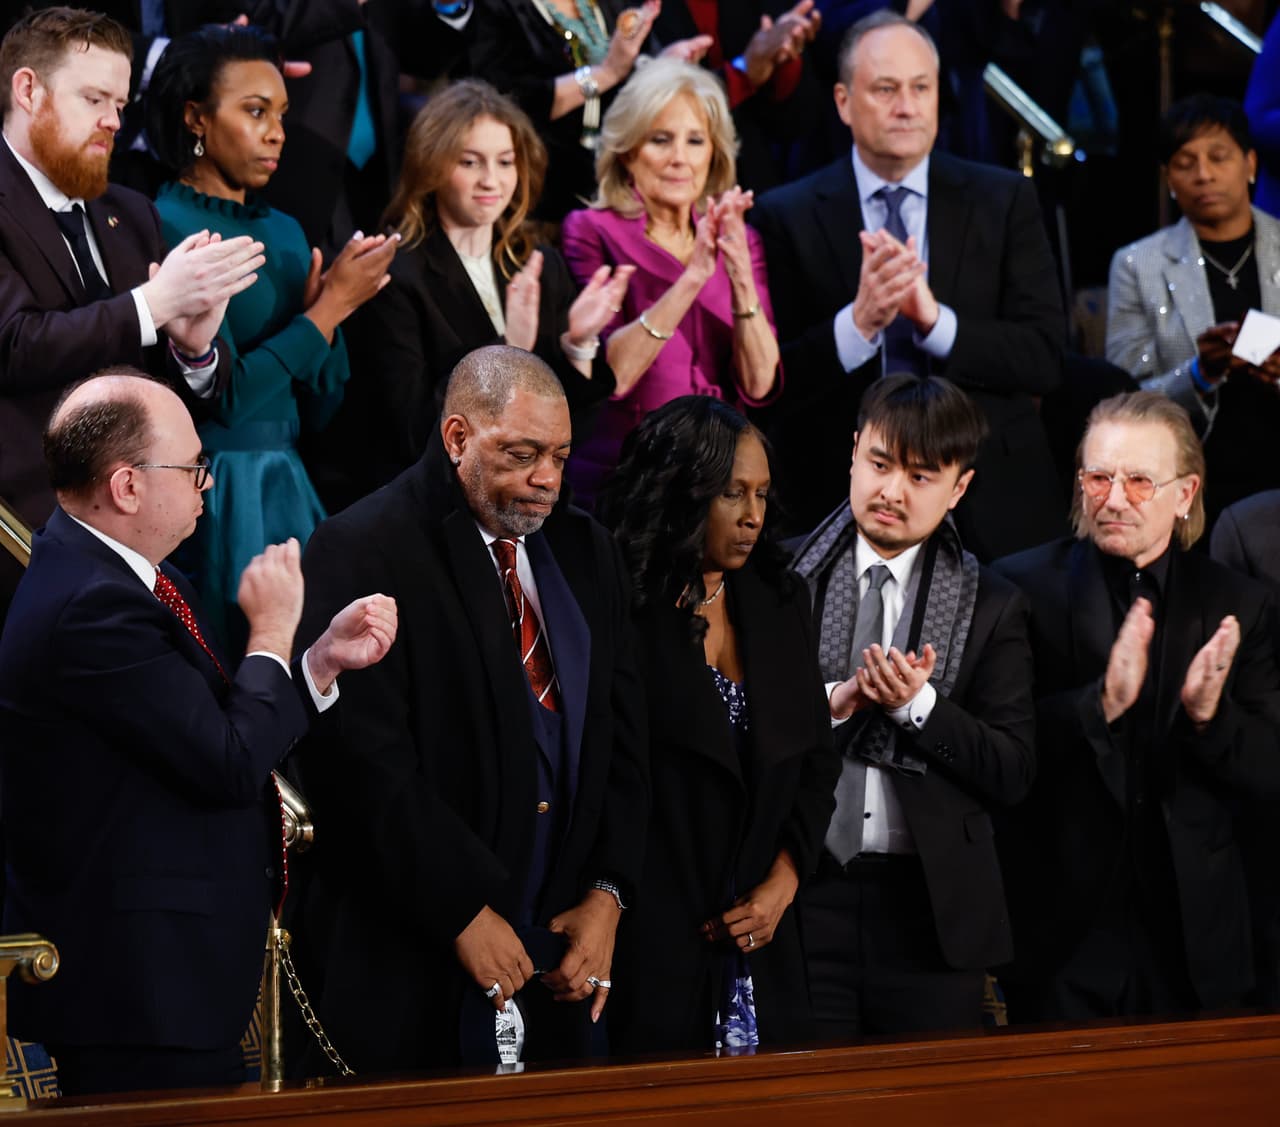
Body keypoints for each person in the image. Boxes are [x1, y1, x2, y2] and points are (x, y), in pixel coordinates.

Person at [0, 368, 397, 1097]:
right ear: (126, 486)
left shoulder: (138, 576)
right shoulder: (91, 607)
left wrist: (314, 662)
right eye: (192, 468)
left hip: (170, 979)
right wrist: (272, 630)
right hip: (136, 986)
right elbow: (228, 760)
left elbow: (220, 726)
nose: (205, 484)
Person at [286, 345, 647, 1075]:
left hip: (561, 969)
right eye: (522, 453)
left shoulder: (587, 548)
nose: (547, 478)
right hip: (413, 966)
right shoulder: (362, 547)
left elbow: (626, 742)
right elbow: (363, 765)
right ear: (457, 438)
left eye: (561, 455)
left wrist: (608, 894)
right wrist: (459, 909)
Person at [993, 391, 1280, 1023]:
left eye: (1139, 481)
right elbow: (1000, 755)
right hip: (1063, 938)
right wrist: (1098, 704)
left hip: (1195, 940)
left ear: (1185, 494)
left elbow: (1269, 771)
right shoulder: (1019, 587)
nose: (1114, 499)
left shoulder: (1240, 604)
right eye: (1098, 477)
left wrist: (1210, 716)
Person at [750, 9, 1065, 557]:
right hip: (833, 489)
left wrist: (935, 322)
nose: (907, 106)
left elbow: (1044, 357)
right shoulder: (786, 214)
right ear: (844, 102)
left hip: (990, 490)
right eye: (886, 89)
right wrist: (859, 323)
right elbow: (773, 386)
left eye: (922, 87)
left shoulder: (1004, 199)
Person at [790, 374, 1034, 1037]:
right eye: (879, 463)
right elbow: (745, 723)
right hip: (801, 896)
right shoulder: (783, 581)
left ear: (959, 487)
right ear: (852, 452)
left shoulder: (994, 603)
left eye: (921, 476)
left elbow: (1013, 769)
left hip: (930, 910)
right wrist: (835, 705)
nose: (892, 490)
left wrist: (917, 705)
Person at [596, 395, 837, 1054]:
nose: (754, 515)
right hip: (656, 943)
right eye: (732, 493)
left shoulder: (780, 596)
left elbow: (817, 761)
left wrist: (784, 881)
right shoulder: (621, 608)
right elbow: (613, 785)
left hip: (767, 939)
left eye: (761, 493)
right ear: (682, 492)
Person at [144, 23, 395, 650]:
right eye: (255, 111)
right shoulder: (165, 224)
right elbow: (223, 398)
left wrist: (324, 321)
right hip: (214, 490)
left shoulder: (285, 230)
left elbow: (322, 404)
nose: (277, 130)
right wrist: (326, 312)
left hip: (291, 481)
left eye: (281, 112)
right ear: (196, 118)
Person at [0, 7, 265, 534]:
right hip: (26, 525)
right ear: (28, 91)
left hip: (145, 525)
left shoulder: (133, 211)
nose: (115, 121)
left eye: (120, 104)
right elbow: (13, 345)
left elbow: (178, 395)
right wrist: (154, 304)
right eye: (94, 99)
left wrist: (194, 351)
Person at [340, 78, 632, 500]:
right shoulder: (396, 275)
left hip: (532, 504)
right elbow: (410, 432)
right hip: (436, 508)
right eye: (470, 162)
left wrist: (579, 345)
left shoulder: (538, 265)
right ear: (432, 166)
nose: (490, 180)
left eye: (505, 162)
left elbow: (573, 433)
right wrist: (507, 347)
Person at [561, 58, 782, 508]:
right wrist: (693, 276)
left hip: (720, 482)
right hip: (625, 483)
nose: (680, 157)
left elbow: (760, 383)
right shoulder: (591, 230)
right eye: (661, 140)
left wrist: (739, 276)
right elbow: (612, 377)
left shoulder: (740, 237)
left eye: (695, 140)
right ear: (627, 151)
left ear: (713, 154)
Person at [1106, 95, 1280, 526]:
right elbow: (1124, 394)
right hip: (1190, 475)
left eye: (1218, 157)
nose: (1204, 175)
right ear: (1168, 178)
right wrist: (1199, 375)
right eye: (1186, 163)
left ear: (1251, 164)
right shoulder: (1137, 264)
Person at [469, 0, 712, 223]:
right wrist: (606, 73)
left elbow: (630, 72)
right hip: (549, 192)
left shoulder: (609, 4)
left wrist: (661, 66)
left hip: (622, 181)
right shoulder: (496, 9)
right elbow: (509, 102)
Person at [651, 1, 823, 192]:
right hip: (666, 184)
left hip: (754, 179)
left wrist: (783, 56)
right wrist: (742, 73)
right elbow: (638, 109)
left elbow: (798, 122)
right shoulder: (630, 9)